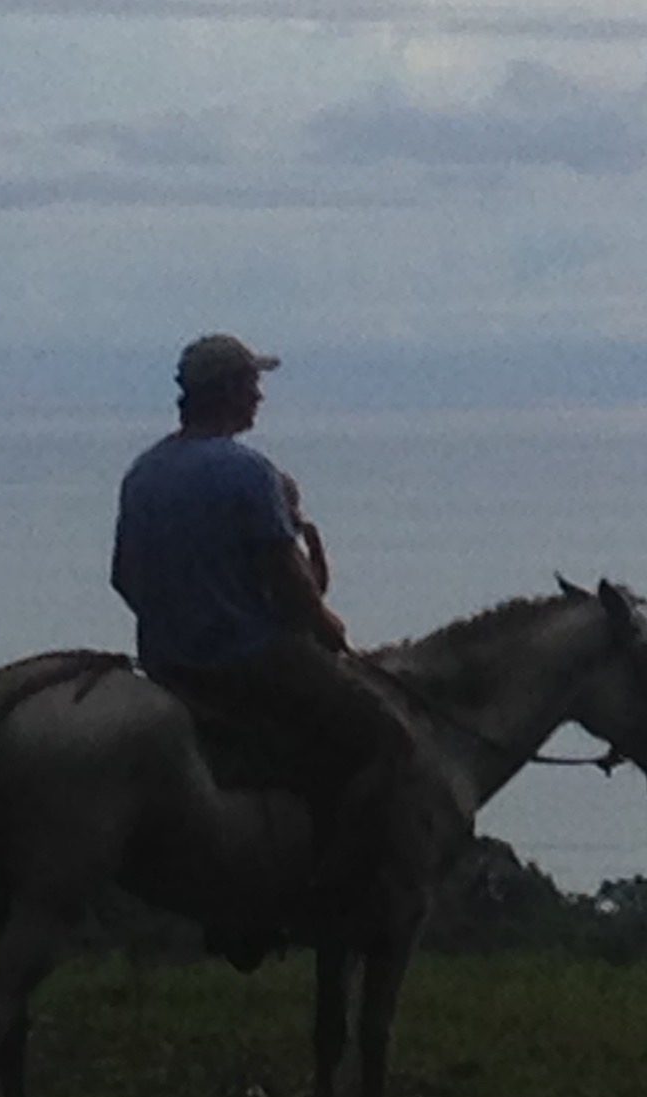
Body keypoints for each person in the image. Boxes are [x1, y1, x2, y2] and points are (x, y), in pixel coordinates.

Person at [110, 334, 419, 918]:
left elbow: (124, 578)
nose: (259, 396)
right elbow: (289, 580)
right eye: (252, 384)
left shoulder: (142, 473)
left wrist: (179, 624)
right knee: (389, 742)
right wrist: (328, 626)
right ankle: (333, 893)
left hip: (166, 664)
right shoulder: (248, 472)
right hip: (251, 660)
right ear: (227, 390)